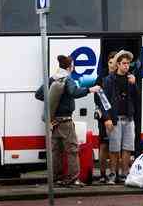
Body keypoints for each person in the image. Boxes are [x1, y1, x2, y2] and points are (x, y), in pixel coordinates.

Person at [35, 55, 100, 187]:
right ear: (70, 66)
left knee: (56, 151)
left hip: (53, 122)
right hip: (65, 121)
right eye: (73, 65)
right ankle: (72, 179)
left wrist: (54, 100)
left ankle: (56, 178)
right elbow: (73, 92)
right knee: (72, 150)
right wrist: (89, 90)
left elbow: (39, 94)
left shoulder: (53, 78)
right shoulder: (67, 78)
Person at [101, 50, 138, 185]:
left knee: (128, 147)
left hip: (128, 118)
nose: (126, 66)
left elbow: (136, 98)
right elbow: (103, 101)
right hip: (115, 118)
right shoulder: (109, 80)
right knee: (114, 148)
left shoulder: (131, 79)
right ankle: (112, 174)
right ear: (118, 64)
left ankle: (124, 174)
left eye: (128, 63)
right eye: (124, 63)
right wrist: (107, 118)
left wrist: (134, 85)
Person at [94, 51, 117, 183]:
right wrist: (105, 116)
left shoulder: (119, 76)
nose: (112, 65)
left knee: (115, 146)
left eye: (115, 62)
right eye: (110, 62)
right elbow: (97, 98)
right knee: (103, 145)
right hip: (104, 116)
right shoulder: (101, 77)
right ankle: (102, 175)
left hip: (116, 115)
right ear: (108, 62)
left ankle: (114, 174)